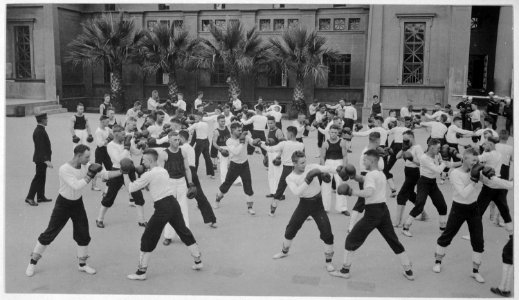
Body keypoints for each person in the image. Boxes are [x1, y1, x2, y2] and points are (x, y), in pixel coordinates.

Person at [25, 145, 121, 277]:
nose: (89, 159)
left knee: (83, 234)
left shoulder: (85, 165)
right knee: (50, 233)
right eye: (87, 156)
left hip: (77, 204)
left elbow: (104, 174)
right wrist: (90, 175)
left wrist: (122, 172)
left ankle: (82, 265)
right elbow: (76, 185)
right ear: (78, 155)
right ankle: (32, 262)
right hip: (63, 204)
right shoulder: (64, 169)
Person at [330, 149, 414, 280]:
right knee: (393, 240)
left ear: (372, 160)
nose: (363, 162)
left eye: (365, 160)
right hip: (383, 211)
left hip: (372, 213)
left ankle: (345, 271)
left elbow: (369, 192)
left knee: (351, 239)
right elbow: (364, 179)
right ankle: (408, 270)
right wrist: (353, 175)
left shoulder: (371, 176)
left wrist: (352, 192)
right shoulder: (380, 174)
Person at [433, 147, 513, 284]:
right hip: (458, 208)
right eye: (472, 159)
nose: (475, 162)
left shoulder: (477, 171)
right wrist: (474, 180)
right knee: (447, 235)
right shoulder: (455, 174)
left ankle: (475, 272)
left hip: (473, 208)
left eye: (477, 160)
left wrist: (511, 184)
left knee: (478, 240)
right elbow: (464, 193)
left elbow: (492, 183)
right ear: (464, 159)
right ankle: (438, 261)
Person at [121, 149, 203, 280]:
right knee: (183, 231)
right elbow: (150, 186)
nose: (142, 162)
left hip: (162, 207)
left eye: (144, 160)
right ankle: (198, 261)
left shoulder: (149, 174)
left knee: (147, 237)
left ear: (151, 160)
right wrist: (142, 176)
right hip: (173, 204)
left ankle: (141, 272)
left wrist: (125, 173)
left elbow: (130, 188)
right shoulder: (163, 171)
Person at [271, 151, 336, 274]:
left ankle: (329, 262)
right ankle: (284, 252)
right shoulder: (290, 177)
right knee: (291, 228)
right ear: (294, 163)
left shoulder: (311, 167)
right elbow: (296, 192)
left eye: (305, 161)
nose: (304, 165)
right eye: (301, 163)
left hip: (318, 204)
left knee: (327, 232)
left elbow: (326, 168)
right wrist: (308, 178)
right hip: (304, 204)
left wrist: (340, 170)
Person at [95, 125, 146, 228]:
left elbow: (135, 152)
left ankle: (141, 220)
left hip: (130, 170)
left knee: (138, 195)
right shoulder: (110, 145)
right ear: (116, 134)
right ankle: (99, 219)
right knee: (110, 196)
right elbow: (119, 160)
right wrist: (126, 147)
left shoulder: (125, 142)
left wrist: (141, 147)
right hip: (118, 171)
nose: (125, 136)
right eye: (122, 135)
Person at [401, 139, 451, 237]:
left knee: (442, 206)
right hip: (424, 183)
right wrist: (445, 162)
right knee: (419, 205)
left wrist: (461, 162)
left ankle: (442, 229)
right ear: (431, 147)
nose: (439, 150)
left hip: (433, 183)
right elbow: (437, 170)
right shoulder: (424, 158)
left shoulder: (437, 155)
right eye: (438, 148)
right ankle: (405, 227)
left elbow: (444, 165)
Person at [157, 131, 197, 245]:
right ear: (169, 140)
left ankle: (186, 235)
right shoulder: (164, 154)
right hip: (169, 183)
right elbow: (161, 172)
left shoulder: (183, 152)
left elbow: (187, 169)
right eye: (175, 140)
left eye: (178, 139)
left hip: (181, 182)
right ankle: (168, 236)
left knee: (183, 208)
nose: (177, 141)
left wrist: (190, 182)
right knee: (170, 209)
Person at [213, 122, 261, 215]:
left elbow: (253, 143)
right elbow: (236, 152)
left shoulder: (245, 137)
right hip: (234, 165)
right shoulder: (229, 141)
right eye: (238, 130)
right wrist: (242, 141)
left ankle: (250, 207)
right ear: (232, 131)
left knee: (248, 185)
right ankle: (217, 199)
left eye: (241, 130)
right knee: (226, 185)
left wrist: (259, 143)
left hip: (244, 164)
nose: (240, 131)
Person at [260, 126, 304, 216]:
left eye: (287, 133)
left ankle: (272, 212)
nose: (286, 134)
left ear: (291, 134)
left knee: (279, 191)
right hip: (297, 170)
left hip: (287, 170)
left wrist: (260, 144)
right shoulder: (301, 145)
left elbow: (270, 149)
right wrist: (279, 155)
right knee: (303, 191)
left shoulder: (284, 143)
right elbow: (302, 157)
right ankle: (307, 214)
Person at [179, 130, 217, 228]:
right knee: (200, 196)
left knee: (175, 198)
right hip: (193, 171)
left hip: (185, 172)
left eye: (178, 139)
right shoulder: (191, 148)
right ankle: (211, 219)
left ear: (182, 138)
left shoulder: (181, 148)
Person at [394, 130, 425, 226]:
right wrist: (404, 149)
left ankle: (397, 222)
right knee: (411, 194)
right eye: (403, 140)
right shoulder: (408, 147)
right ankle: (423, 213)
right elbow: (397, 156)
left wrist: (412, 159)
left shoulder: (418, 148)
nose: (405, 141)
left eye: (406, 139)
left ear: (412, 137)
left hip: (414, 173)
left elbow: (422, 163)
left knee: (401, 195)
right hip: (407, 172)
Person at [320, 125, 349, 215]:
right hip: (328, 163)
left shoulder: (342, 142)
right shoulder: (325, 143)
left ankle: (343, 208)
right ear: (329, 133)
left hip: (339, 163)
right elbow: (322, 157)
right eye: (332, 132)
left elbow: (345, 156)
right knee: (326, 185)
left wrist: (344, 167)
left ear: (338, 133)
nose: (333, 134)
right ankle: (325, 207)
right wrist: (323, 169)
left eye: (335, 133)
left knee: (340, 185)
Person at [25, 113, 53, 206]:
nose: (47, 120)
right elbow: (40, 147)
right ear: (42, 120)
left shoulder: (40, 130)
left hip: (41, 158)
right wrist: (46, 160)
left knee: (42, 177)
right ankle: (30, 197)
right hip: (41, 159)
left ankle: (40, 196)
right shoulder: (39, 131)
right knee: (38, 178)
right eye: (46, 119)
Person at [187, 112, 215, 179]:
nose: (195, 119)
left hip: (199, 142)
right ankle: (211, 173)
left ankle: (194, 173)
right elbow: (196, 134)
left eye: (196, 117)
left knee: (195, 158)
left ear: (200, 118)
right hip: (206, 141)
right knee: (207, 158)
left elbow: (187, 130)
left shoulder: (196, 124)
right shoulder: (206, 124)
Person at [92, 115, 113, 191]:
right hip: (100, 151)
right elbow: (100, 144)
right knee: (96, 168)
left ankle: (111, 182)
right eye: (107, 121)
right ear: (102, 121)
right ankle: (93, 185)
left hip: (106, 151)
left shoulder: (107, 128)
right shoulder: (98, 131)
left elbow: (113, 131)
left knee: (110, 167)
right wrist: (108, 139)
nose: (108, 123)